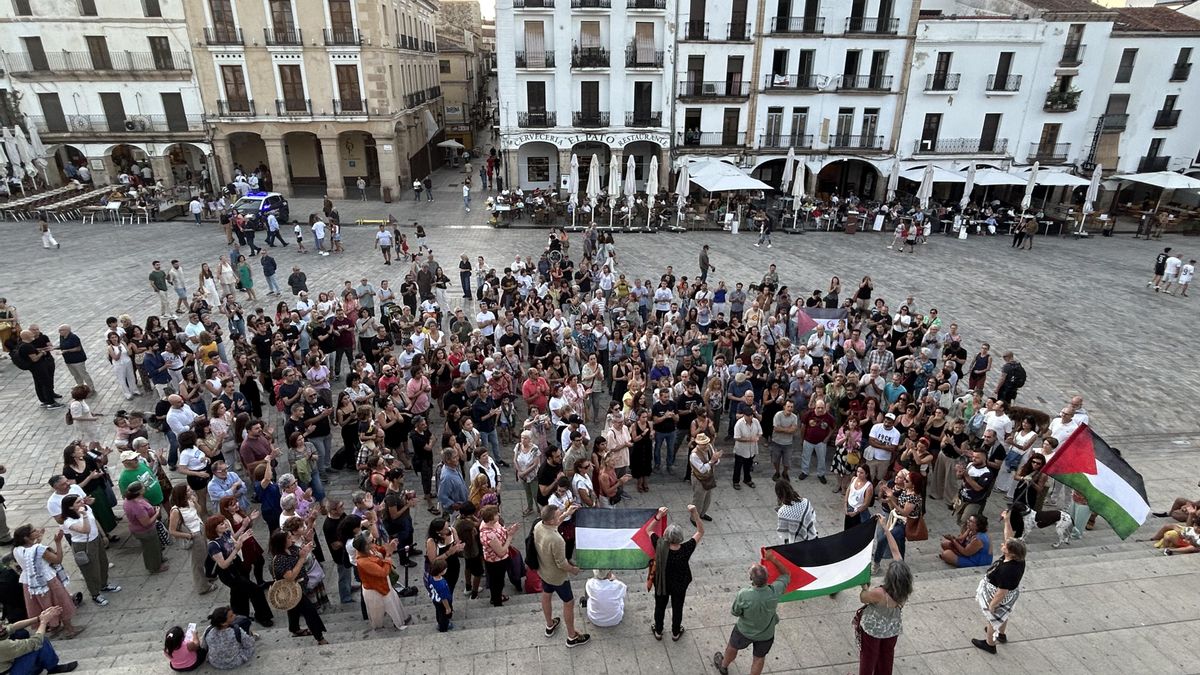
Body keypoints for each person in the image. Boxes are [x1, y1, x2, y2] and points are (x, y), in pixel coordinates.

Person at [712, 549, 789, 675]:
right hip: (766, 634)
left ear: (751, 579)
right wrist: (773, 559)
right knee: (759, 658)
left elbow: (735, 612)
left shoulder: (744, 594)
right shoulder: (775, 591)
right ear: (768, 578)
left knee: (732, 647)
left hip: (744, 630)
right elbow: (786, 575)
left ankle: (724, 666)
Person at [857, 518, 911, 675]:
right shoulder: (904, 590)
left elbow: (863, 597)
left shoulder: (880, 594)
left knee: (868, 657)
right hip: (892, 628)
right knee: (886, 656)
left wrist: (864, 585)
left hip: (873, 629)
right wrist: (886, 529)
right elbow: (895, 551)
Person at [11, 525, 83, 639]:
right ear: (26, 537)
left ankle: (53, 626)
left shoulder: (17, 550)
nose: (37, 531)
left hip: (31, 582)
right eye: (33, 531)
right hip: (48, 580)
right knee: (60, 602)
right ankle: (69, 629)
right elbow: (57, 559)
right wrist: (58, 542)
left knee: (43, 605)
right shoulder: (40, 549)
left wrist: (38, 540)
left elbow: (31, 555)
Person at [533, 504, 590, 647]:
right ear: (552, 520)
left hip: (543, 571)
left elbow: (553, 524)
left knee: (546, 594)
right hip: (558, 577)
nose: (561, 515)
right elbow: (562, 563)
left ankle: (549, 625)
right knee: (569, 602)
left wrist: (566, 514)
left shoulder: (539, 525)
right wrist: (573, 570)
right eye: (559, 514)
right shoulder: (557, 540)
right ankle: (572, 637)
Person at [972, 511, 1025, 654]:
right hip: (1010, 594)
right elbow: (1009, 536)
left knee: (992, 618)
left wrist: (992, 606)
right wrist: (1007, 520)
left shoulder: (1008, 570)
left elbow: (1001, 593)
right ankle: (1001, 634)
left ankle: (990, 644)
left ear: (1010, 553)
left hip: (998, 594)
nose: (1003, 544)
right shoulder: (1018, 558)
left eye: (1005, 546)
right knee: (1004, 614)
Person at [648, 505, 701, 641]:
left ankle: (658, 630)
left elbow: (648, 530)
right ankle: (675, 632)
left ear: (665, 536)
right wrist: (695, 513)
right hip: (680, 584)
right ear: (681, 537)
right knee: (678, 607)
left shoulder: (659, 544)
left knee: (660, 607)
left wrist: (659, 515)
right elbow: (700, 531)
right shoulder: (686, 548)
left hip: (662, 583)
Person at [267, 529, 327, 644]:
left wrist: (309, 543)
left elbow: (304, 552)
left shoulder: (292, 548)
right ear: (281, 542)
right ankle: (320, 637)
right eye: (289, 538)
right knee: (310, 612)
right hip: (292, 590)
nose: (292, 539)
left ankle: (294, 629)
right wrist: (301, 559)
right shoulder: (279, 559)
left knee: (293, 607)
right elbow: (290, 576)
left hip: (300, 586)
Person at [352, 531, 413, 631]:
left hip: (382, 583)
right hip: (374, 589)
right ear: (365, 545)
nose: (374, 542)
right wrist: (388, 556)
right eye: (372, 541)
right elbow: (383, 572)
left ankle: (400, 620)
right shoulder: (363, 561)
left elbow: (380, 549)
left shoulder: (370, 548)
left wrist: (390, 546)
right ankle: (380, 627)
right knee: (378, 611)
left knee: (393, 601)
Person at [0, 607, 77, 675]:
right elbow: (36, 641)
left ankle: (37, 666)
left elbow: (12, 627)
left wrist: (39, 618)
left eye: (1, 625)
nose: (2, 628)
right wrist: (44, 622)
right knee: (42, 642)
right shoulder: (3, 645)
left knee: (21, 633)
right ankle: (53, 668)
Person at [689, 434, 720, 521]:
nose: (706, 445)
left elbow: (715, 460)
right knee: (698, 499)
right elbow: (702, 469)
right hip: (698, 479)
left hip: (709, 477)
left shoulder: (709, 446)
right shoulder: (694, 455)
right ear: (698, 444)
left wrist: (716, 459)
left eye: (706, 443)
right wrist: (712, 461)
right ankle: (694, 518)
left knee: (707, 498)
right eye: (703, 444)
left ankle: (702, 514)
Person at [732, 405, 761, 489]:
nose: (750, 417)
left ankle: (747, 479)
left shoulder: (755, 421)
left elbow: (760, 432)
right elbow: (737, 437)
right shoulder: (739, 424)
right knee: (738, 466)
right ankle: (736, 481)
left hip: (752, 449)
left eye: (751, 415)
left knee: (748, 465)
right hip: (741, 450)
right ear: (744, 415)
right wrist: (749, 439)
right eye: (748, 416)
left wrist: (757, 437)